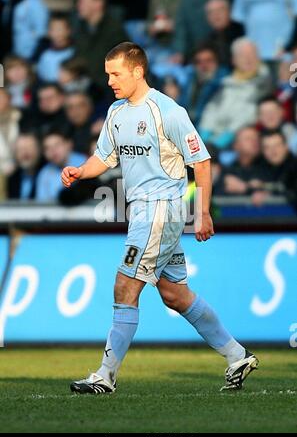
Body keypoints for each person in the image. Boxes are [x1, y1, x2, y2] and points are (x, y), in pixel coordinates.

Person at [61, 42, 259, 394]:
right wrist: (80, 171)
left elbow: (201, 161)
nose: (109, 82)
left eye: (116, 74)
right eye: (108, 75)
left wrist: (202, 214)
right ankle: (237, 355)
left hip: (159, 211)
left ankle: (105, 375)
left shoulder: (168, 110)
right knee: (174, 294)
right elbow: (104, 158)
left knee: (125, 286)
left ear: (138, 71)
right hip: (142, 212)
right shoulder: (116, 112)